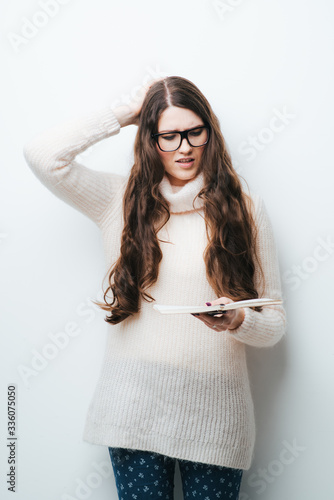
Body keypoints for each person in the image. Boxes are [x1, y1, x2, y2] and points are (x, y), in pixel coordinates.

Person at [23, 76, 286, 500]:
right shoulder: (120, 200)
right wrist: (123, 115)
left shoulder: (245, 209)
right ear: (150, 140)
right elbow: (43, 156)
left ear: (210, 133)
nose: (184, 147)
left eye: (194, 132)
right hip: (133, 410)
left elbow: (273, 322)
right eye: (168, 135)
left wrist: (239, 319)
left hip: (216, 416)